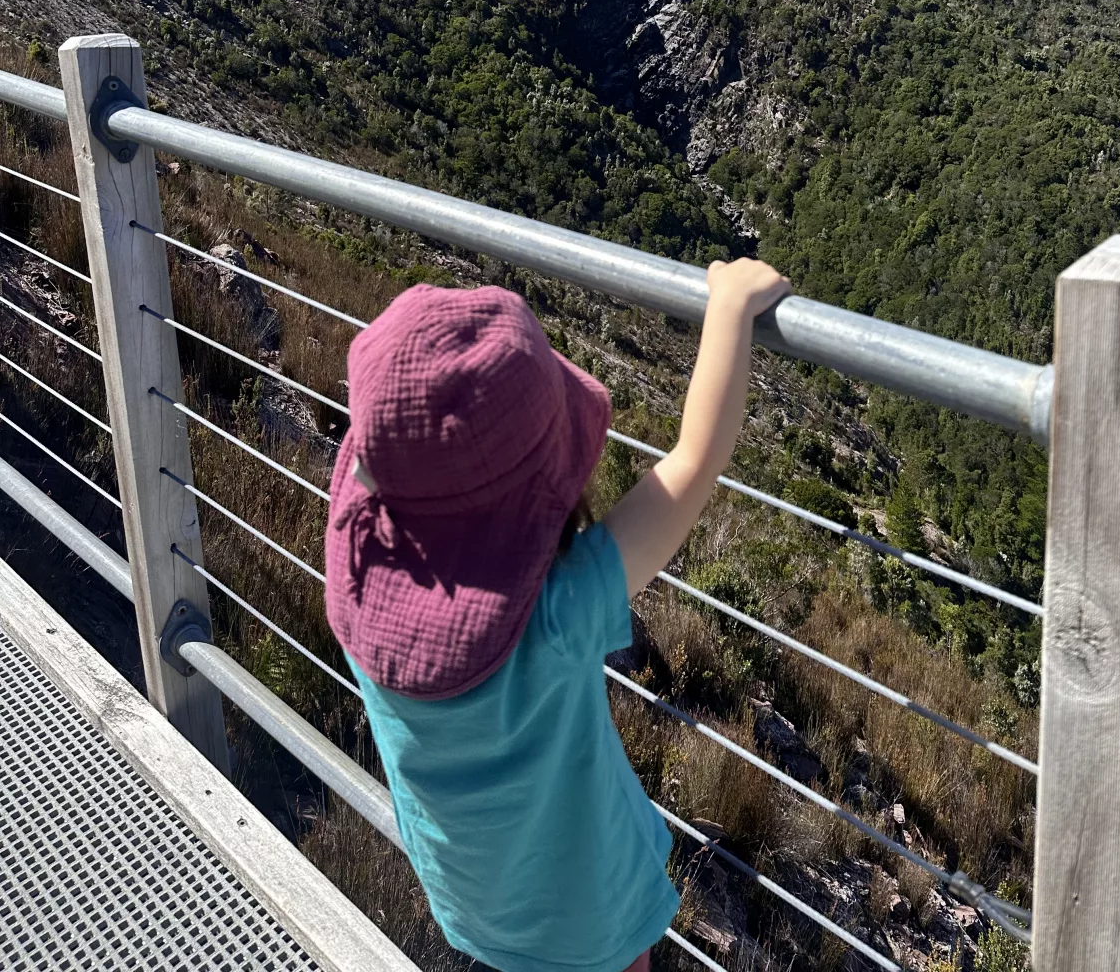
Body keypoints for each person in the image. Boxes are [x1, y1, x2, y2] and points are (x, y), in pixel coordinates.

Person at [325, 257, 791, 972]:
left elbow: (396, 458)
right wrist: (729, 308)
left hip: (474, 897)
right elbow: (694, 462)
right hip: (589, 915)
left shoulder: (354, 569)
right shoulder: (556, 616)